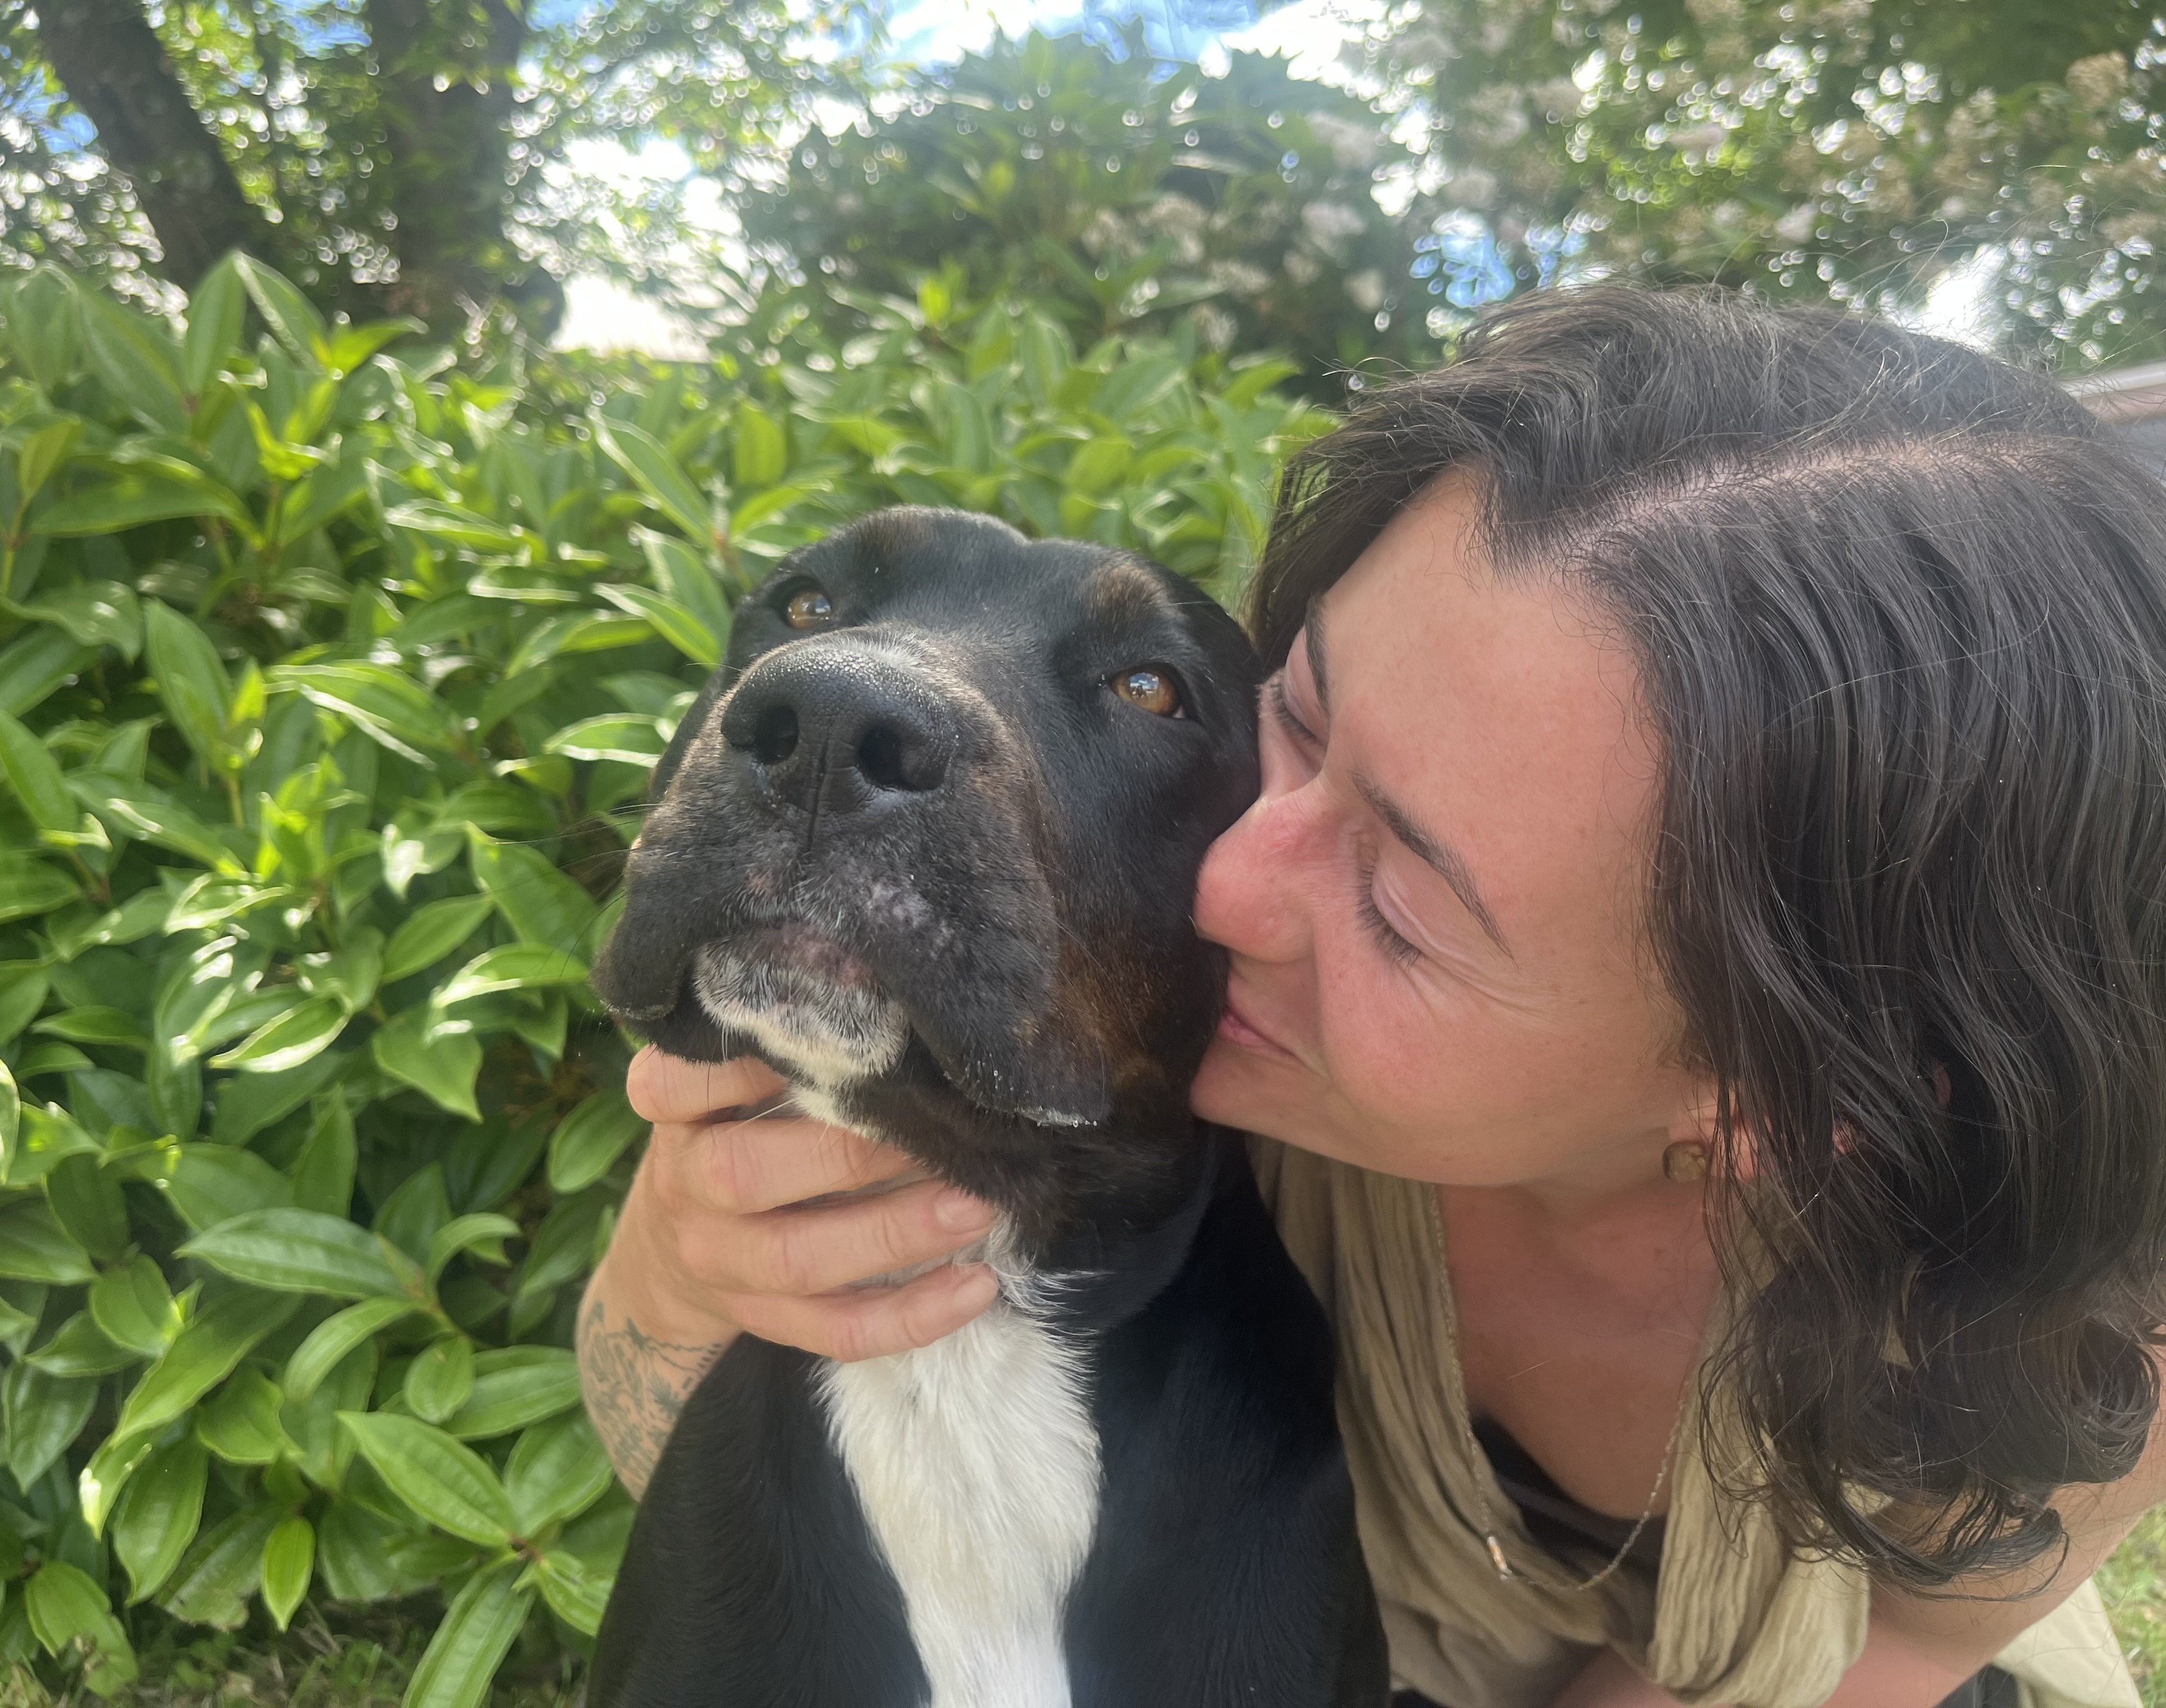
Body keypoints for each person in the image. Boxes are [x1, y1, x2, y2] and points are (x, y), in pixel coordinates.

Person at [576, 286, 2166, 1708]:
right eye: (1302, 718)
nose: (1226, 884)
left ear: (1786, 1094)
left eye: (1406, 901)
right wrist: (689, 1254)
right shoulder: (1183, 1110)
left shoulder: (2060, 1324)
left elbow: (1899, 1652)